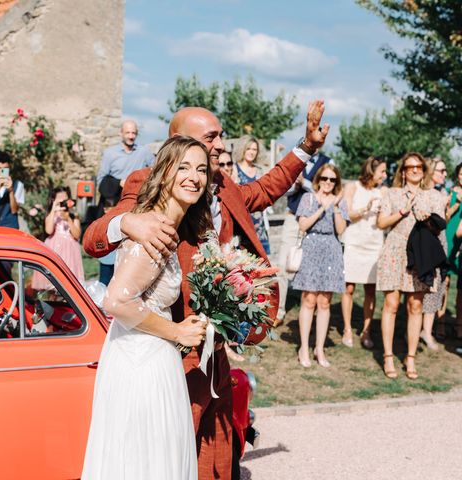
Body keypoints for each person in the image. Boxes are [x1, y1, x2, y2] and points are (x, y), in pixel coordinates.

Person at [83, 101, 329, 479]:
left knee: (218, 446)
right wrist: (130, 223)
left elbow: (266, 188)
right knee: (170, 445)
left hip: (214, 346)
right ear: (177, 143)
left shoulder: (223, 187)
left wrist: (306, 148)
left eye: (219, 138)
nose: (219, 145)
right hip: (172, 347)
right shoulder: (146, 183)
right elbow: (97, 237)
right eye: (210, 137)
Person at [82, 136, 211, 479]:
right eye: (183, 167)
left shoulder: (171, 224)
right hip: (142, 362)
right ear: (164, 172)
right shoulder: (155, 228)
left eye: (201, 169)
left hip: (147, 353)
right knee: (146, 459)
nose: (194, 176)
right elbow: (116, 300)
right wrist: (177, 331)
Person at [376, 152, 445, 380]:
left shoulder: (434, 196)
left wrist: (428, 220)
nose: (415, 169)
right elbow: (381, 223)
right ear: (403, 171)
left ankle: (411, 357)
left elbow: (440, 227)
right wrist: (402, 211)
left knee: (415, 305)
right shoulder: (392, 193)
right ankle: (387, 355)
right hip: (395, 251)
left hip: (420, 254)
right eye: (410, 167)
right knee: (391, 304)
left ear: (424, 171)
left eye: (418, 166)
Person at [292, 165, 348, 368]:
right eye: (324, 178)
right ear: (318, 179)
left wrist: (334, 207)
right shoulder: (308, 198)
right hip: (312, 247)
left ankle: (320, 348)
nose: (328, 182)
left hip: (331, 249)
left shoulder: (340, 202)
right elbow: (303, 225)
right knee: (309, 299)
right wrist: (322, 208)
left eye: (332, 180)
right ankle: (304, 347)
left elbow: (340, 230)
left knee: (325, 302)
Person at [275, 148, 334, 326]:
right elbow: (285, 190)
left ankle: (309, 308)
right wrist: (295, 185)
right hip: (293, 217)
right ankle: (278, 310)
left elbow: (329, 189)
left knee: (312, 267)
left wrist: (305, 183)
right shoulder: (296, 160)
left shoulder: (328, 162)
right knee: (283, 262)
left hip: (316, 220)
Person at [341, 156, 387, 349]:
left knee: (370, 289)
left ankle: (367, 331)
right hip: (353, 241)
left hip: (374, 243)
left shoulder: (383, 191)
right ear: (371, 170)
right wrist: (365, 208)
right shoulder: (352, 187)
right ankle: (347, 329)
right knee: (348, 288)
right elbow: (347, 214)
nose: (385, 176)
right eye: (382, 172)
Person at [421, 158, 449, 350]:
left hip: (442, 242)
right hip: (426, 243)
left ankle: (427, 331)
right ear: (431, 171)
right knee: (422, 287)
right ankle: (413, 330)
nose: (445, 174)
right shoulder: (423, 193)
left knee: (437, 286)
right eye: (441, 170)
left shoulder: (443, 193)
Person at [96, 120, 155, 207]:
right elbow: (101, 181)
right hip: (115, 199)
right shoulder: (110, 153)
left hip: (136, 199)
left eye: (133, 133)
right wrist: (118, 183)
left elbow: (157, 169)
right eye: (127, 133)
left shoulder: (144, 151)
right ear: (121, 133)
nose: (131, 136)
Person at [34, 187, 84, 285]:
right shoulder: (51, 214)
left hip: (70, 250)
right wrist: (54, 208)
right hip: (54, 248)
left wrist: (68, 219)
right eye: (59, 198)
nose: (62, 201)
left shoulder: (73, 213)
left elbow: (77, 235)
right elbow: (48, 230)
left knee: (69, 283)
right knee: (52, 281)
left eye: (65, 198)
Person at [232, 137, 270, 254]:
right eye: (248, 148)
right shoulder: (234, 168)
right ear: (243, 149)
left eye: (254, 149)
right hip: (241, 220)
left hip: (259, 221)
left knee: (261, 261)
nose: (251, 152)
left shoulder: (260, 170)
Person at [443, 162, 462, 340]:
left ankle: (459, 325)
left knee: (461, 288)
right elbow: (444, 216)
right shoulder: (451, 192)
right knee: (445, 282)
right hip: (449, 239)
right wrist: (456, 204)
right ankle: (440, 323)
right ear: (458, 175)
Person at [97, 197, 117, 285]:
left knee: (115, 283)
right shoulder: (101, 222)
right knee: (103, 283)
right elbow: (98, 240)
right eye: (110, 208)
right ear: (105, 209)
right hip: (105, 258)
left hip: (116, 258)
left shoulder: (118, 222)